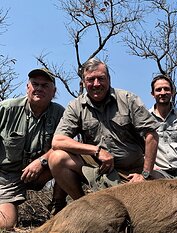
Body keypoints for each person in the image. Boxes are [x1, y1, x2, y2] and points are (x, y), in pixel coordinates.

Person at [49, 57, 159, 200]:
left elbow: (152, 135)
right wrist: (97, 151)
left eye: (101, 78)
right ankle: (83, 204)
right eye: (90, 79)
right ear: (83, 82)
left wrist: (145, 174)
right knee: (57, 158)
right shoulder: (75, 106)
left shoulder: (128, 99)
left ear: (109, 79)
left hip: (132, 173)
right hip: (98, 170)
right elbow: (57, 141)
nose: (96, 84)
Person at [0, 68, 66, 229]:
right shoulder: (7, 108)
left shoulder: (60, 113)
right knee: (6, 224)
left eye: (45, 85)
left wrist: (41, 161)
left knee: (65, 157)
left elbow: (65, 143)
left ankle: (58, 207)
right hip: (7, 176)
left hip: (41, 173)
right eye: (35, 84)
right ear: (27, 87)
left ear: (54, 91)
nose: (39, 88)